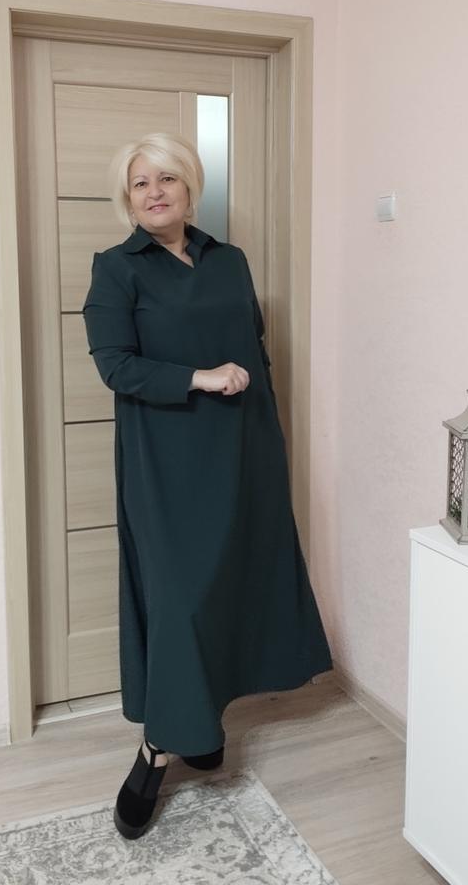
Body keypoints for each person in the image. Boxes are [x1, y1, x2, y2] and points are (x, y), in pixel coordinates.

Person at [81, 131, 332, 840]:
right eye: (140, 183)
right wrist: (199, 376)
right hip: (165, 460)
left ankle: (202, 725)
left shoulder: (230, 261)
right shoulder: (116, 269)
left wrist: (268, 438)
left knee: (231, 585)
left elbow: (255, 350)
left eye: (166, 178)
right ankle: (158, 746)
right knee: (180, 599)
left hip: (243, 448)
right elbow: (115, 366)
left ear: (189, 186)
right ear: (127, 199)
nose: (155, 191)